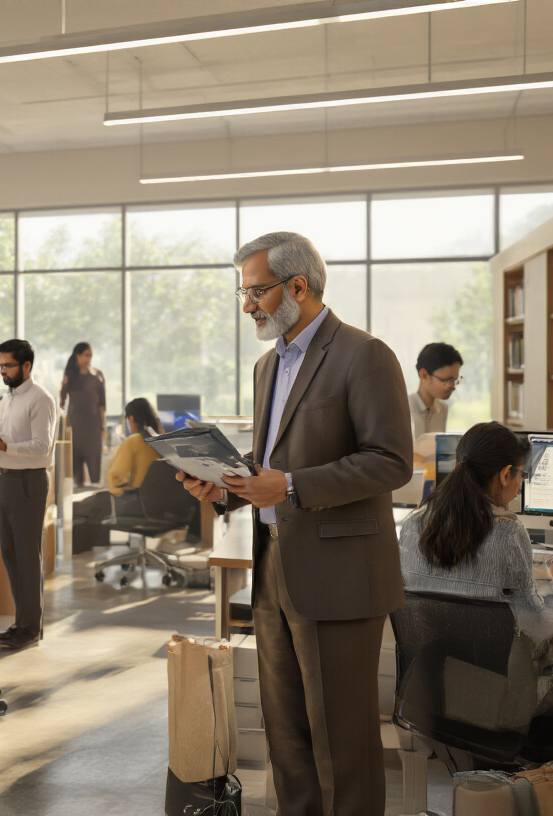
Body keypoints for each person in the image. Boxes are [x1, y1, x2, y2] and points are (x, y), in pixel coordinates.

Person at [178, 232, 413, 815]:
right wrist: (225, 487)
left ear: (298, 287)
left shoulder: (364, 355)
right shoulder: (268, 365)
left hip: (340, 576)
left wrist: (289, 486)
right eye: (243, 293)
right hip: (274, 567)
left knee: (343, 743)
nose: (247, 305)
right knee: (286, 735)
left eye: (256, 291)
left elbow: (390, 462)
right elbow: (272, 462)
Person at [400, 421, 553, 645]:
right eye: (521, 476)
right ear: (505, 475)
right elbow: (539, 627)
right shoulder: (508, 534)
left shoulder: (412, 525)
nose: (519, 487)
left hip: (432, 663)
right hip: (491, 665)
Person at [0, 339, 57, 651]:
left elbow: (41, 447)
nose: (3, 371)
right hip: (6, 479)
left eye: (8, 365)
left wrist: (4, 446)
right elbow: (6, 443)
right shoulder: (5, 400)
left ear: (26, 365)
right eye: (0, 365)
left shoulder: (41, 399)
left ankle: (31, 628)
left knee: (27, 555)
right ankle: (21, 622)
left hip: (28, 482)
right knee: (10, 552)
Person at [59, 342, 106, 488]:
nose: (88, 358)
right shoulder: (70, 376)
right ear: (77, 356)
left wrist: (103, 427)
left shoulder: (97, 375)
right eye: (86, 355)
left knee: (95, 465)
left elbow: (102, 405)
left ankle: (96, 495)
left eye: (90, 355)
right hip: (75, 427)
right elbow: (62, 402)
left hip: (94, 428)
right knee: (75, 468)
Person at [107, 397, 162, 496]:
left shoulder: (133, 441)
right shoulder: (163, 440)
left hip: (140, 500)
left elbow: (116, 475)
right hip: (162, 498)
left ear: (131, 418)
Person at [411, 342, 463, 441]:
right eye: (447, 380)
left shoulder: (442, 409)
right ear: (424, 375)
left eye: (455, 380)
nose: (453, 387)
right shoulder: (406, 409)